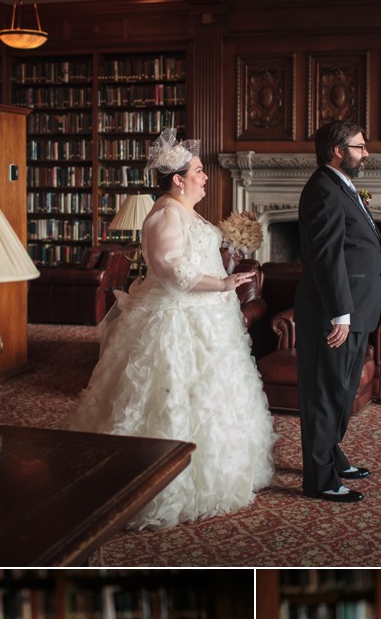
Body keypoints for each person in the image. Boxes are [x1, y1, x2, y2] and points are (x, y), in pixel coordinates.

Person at [65, 127, 275, 530]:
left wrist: (224, 266)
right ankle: (163, 484)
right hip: (175, 321)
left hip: (208, 319)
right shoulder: (164, 213)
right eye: (198, 170)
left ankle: (218, 472)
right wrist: (223, 284)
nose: (205, 176)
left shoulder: (184, 209)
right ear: (178, 179)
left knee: (213, 396)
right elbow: (171, 272)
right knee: (169, 396)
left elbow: (192, 256)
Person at [295, 120, 381, 504]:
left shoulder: (341, 185)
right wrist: (340, 314)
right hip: (335, 312)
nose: (366, 153)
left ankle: (332, 455)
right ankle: (320, 479)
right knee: (326, 395)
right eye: (360, 147)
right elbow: (326, 256)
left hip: (356, 307)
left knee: (343, 392)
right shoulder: (322, 190)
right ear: (338, 150)